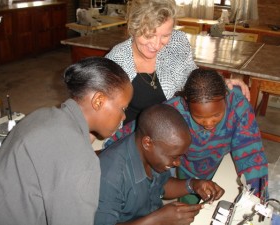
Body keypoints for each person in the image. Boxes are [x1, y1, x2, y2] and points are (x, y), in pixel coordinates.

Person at [0, 57, 133, 225]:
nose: (124, 116)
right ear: (98, 101)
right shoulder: (81, 162)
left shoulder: (41, 114)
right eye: (123, 108)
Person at [104, 68, 268, 204]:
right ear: (186, 102)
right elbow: (140, 128)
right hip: (184, 167)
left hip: (216, 163)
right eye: (200, 118)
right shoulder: (174, 109)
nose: (209, 124)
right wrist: (108, 149)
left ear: (226, 97)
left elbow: (251, 154)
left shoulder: (238, 106)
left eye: (216, 115)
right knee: (189, 202)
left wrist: (258, 199)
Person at [106, 0, 250, 124]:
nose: (156, 45)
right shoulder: (117, 60)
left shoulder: (177, 41)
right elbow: (100, 110)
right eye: (149, 35)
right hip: (138, 135)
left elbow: (191, 74)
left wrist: (220, 82)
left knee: (235, 95)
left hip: (176, 123)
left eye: (165, 35)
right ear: (133, 28)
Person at [95, 104, 224, 225]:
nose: (178, 163)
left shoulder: (154, 155)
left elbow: (162, 185)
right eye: (174, 157)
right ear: (147, 143)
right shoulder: (109, 177)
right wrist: (157, 219)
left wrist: (193, 185)